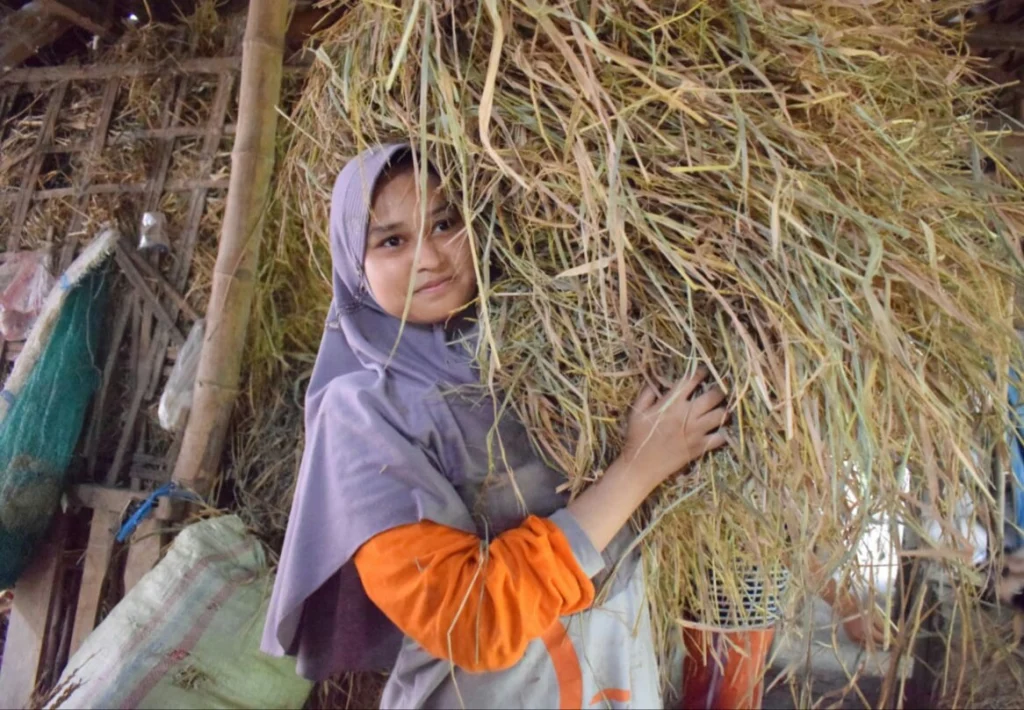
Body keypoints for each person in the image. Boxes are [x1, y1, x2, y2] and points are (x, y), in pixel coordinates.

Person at [260, 143, 732, 709]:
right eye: (391, 240)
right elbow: (474, 620)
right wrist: (639, 468)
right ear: (353, 268)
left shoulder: (549, 355)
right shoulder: (361, 415)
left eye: (445, 222)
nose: (430, 257)